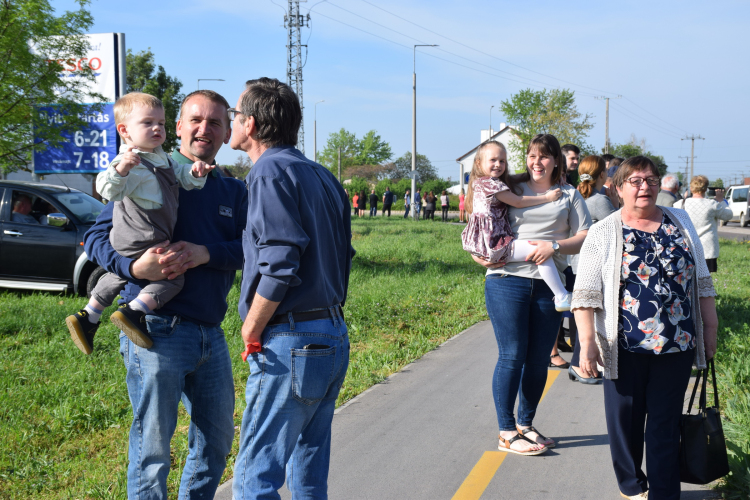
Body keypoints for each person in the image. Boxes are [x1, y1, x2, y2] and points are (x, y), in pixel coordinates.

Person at [83, 89, 245, 498]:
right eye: (194, 119)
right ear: (178, 127)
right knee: (153, 451)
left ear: (228, 133)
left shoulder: (233, 190)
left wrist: (206, 253)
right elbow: (97, 235)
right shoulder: (148, 173)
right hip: (156, 331)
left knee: (217, 441)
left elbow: (252, 248)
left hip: (211, 333)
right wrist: (133, 268)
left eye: (214, 123)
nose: (203, 129)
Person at [231, 77, 353, 500]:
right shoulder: (320, 174)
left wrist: (251, 327)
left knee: (255, 473)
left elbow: (281, 262)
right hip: (332, 332)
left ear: (249, 124)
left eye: (233, 114)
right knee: (308, 467)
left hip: (291, 339)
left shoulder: (267, 171)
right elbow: (343, 255)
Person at [572, 156, 719, 500]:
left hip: (676, 343)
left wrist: (709, 328)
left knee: (664, 425)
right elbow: (586, 292)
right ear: (618, 188)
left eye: (651, 180)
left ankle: (664, 493)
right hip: (623, 346)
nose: (645, 187)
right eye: (635, 181)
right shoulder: (603, 231)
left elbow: (702, 280)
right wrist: (588, 342)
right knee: (626, 422)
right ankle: (632, 484)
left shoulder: (679, 220)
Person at [66, 93, 214, 354]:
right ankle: (134, 311)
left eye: (161, 123)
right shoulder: (129, 161)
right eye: (148, 123)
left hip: (136, 239)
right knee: (173, 278)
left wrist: (194, 172)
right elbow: (106, 189)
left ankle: (88, 315)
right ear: (124, 130)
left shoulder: (161, 157)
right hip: (143, 233)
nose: (157, 128)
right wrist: (120, 170)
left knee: (117, 274)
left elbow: (180, 175)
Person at [471, 134, 591, 456]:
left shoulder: (569, 195)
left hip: (549, 286)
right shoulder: (510, 187)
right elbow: (481, 219)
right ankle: (506, 431)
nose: (536, 163)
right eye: (531, 156)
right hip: (506, 279)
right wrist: (476, 254)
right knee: (512, 354)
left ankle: (525, 424)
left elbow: (584, 236)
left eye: (544, 157)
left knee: (539, 358)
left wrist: (554, 246)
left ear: (556, 161)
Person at [462, 140, 570, 310]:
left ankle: (561, 295)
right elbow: (518, 202)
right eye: (493, 160)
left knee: (539, 252)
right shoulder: (492, 185)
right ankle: (562, 296)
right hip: (496, 244)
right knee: (540, 251)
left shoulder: (480, 182)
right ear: (478, 163)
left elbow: (514, 178)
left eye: (502, 161)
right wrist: (547, 197)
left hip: (487, 244)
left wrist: (555, 175)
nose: (498, 164)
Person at [565, 155, 616, 383]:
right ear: (602, 175)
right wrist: (615, 203)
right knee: (593, 315)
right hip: (593, 266)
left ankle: (579, 363)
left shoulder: (574, 196)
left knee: (580, 313)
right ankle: (581, 365)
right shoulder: (600, 201)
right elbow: (618, 230)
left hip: (573, 263)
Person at [675, 175, 733, 273]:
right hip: (707, 249)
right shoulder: (712, 204)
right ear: (706, 188)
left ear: (691, 188)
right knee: (705, 280)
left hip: (686, 247)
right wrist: (721, 201)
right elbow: (728, 215)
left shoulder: (680, 204)